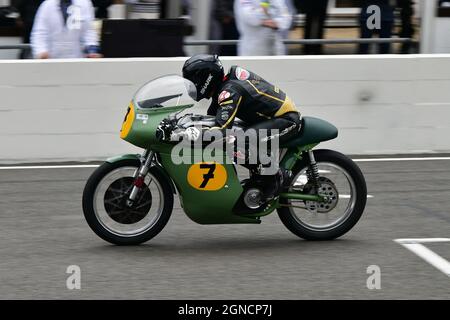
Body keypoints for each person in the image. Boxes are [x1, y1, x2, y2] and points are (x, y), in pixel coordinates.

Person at [181, 54, 302, 200]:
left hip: (287, 120)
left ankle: (274, 177)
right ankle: (260, 176)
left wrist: (190, 133)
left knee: (236, 141)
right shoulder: (225, 86)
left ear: (206, 78)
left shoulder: (229, 91)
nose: (192, 86)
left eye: (193, 81)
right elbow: (211, 119)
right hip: (272, 118)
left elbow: (221, 129)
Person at [31, 0, 100, 59]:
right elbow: (39, 33)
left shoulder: (84, 3)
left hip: (77, 58)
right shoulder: (47, 5)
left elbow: (89, 31)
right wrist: (41, 51)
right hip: (51, 59)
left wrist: (92, 50)